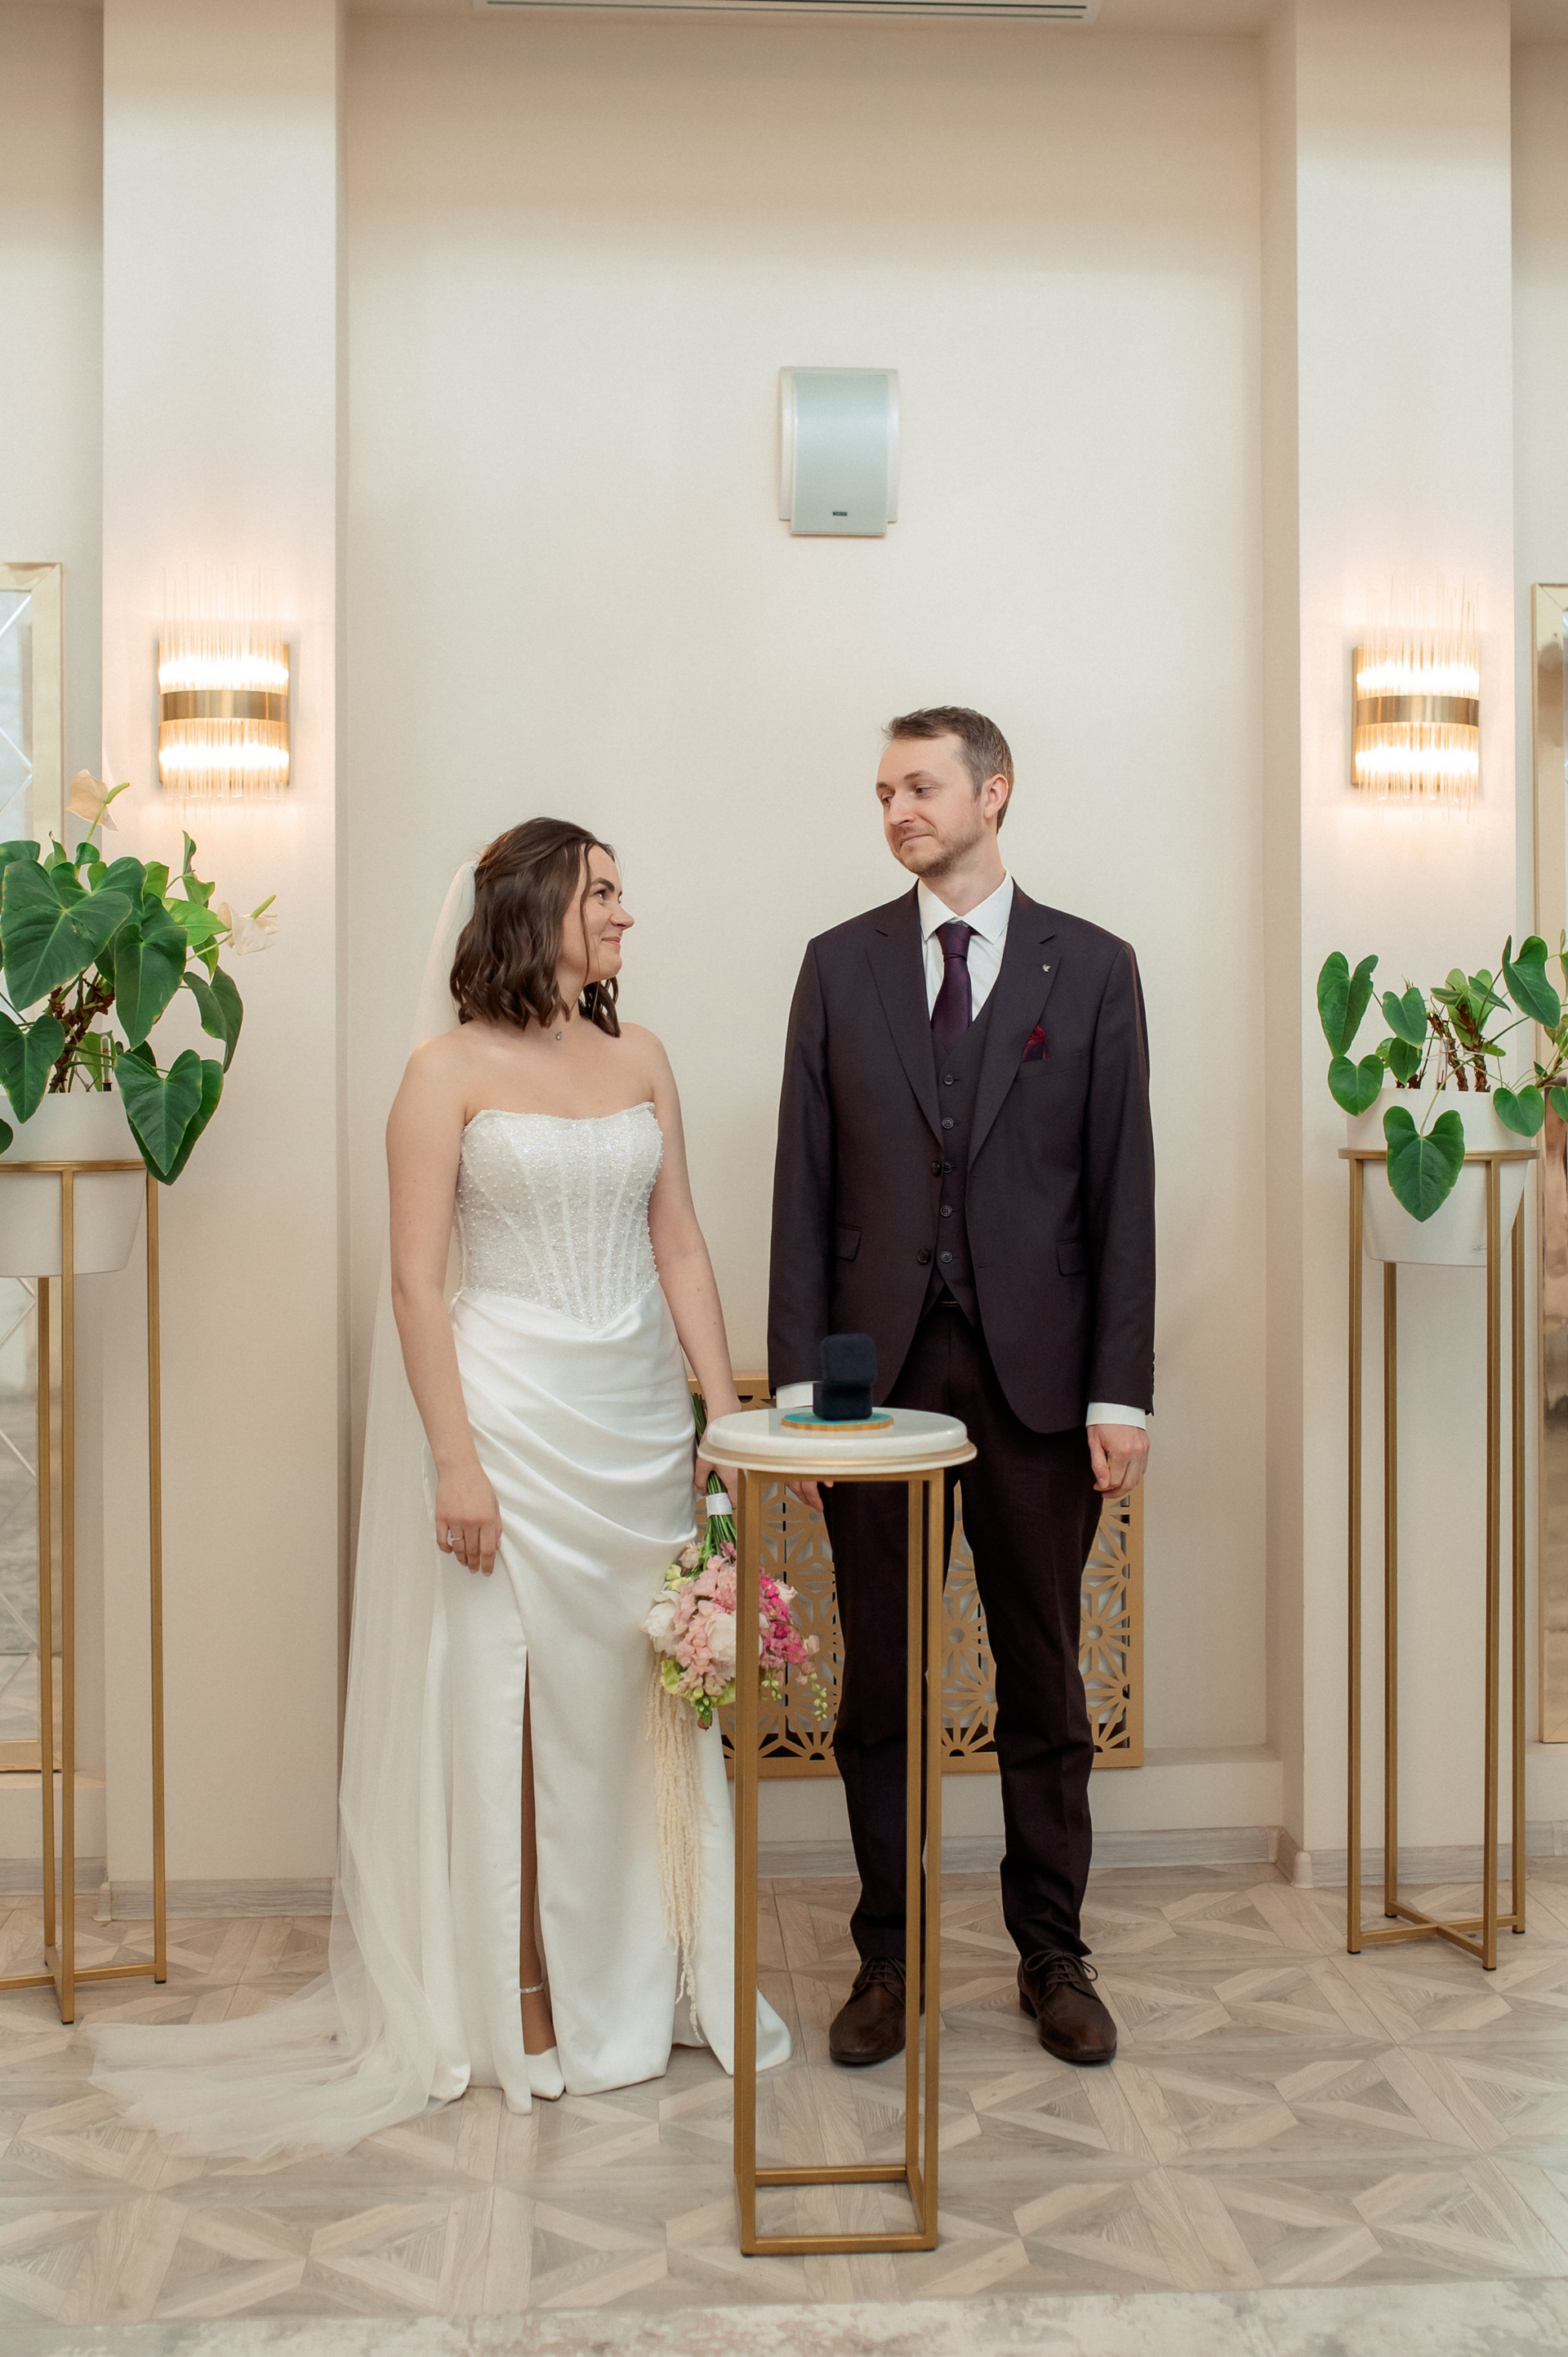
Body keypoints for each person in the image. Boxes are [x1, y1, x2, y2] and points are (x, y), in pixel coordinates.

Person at [91, 818, 788, 2156]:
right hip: (508, 1416)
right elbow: (415, 1284)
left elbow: (683, 1243)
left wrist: (721, 1409)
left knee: (640, 1699)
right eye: (602, 893)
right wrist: (455, 1458)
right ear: (535, 908)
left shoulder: (643, 1056)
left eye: (623, 893)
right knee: (510, 1705)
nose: (626, 915)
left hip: (639, 1419)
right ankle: (515, 1991)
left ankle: (662, 1971)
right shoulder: (442, 1072)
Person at [768, 708, 1155, 2072]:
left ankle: (1053, 1952)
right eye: (883, 791)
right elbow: (803, 1184)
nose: (897, 810)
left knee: (1043, 1677)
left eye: (921, 786)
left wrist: (1121, 1395)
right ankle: (890, 1955)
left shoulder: (1093, 967)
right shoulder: (839, 964)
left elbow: (1121, 1192)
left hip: (1040, 1382)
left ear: (995, 792)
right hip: (874, 1384)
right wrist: (804, 1392)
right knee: (880, 1681)